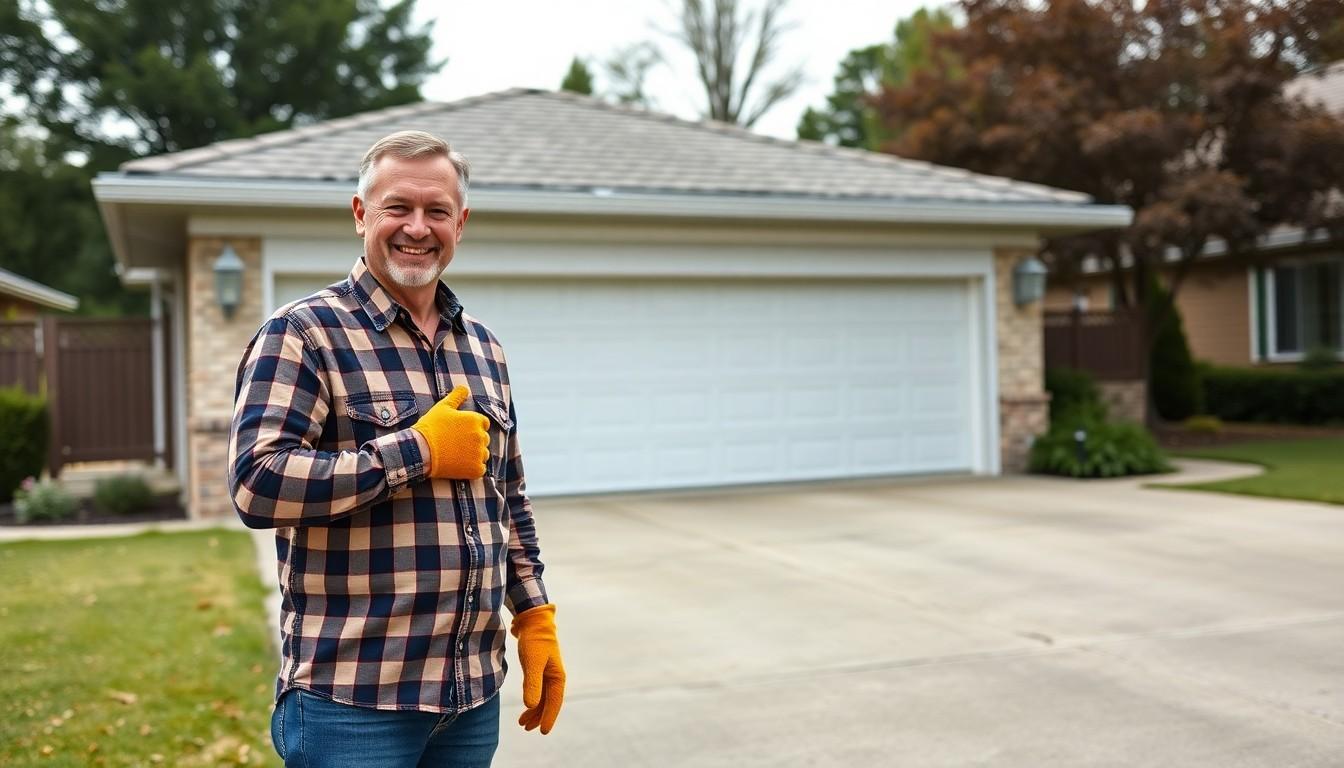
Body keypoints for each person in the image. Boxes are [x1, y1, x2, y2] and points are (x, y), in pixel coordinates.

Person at [228, 130, 565, 767]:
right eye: (397, 208)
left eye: (437, 210)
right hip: (352, 703)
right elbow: (257, 483)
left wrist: (534, 615)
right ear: (361, 214)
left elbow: (507, 496)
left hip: (470, 698)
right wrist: (418, 452)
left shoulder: (483, 347)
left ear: (460, 223)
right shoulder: (304, 334)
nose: (417, 227)